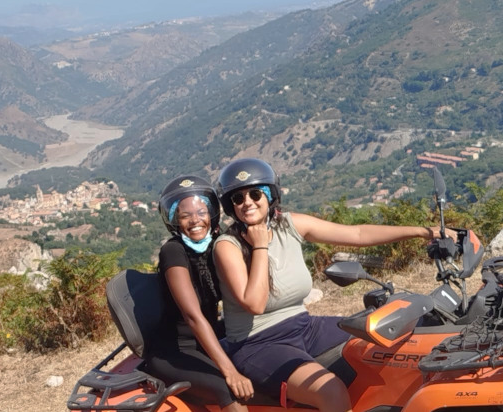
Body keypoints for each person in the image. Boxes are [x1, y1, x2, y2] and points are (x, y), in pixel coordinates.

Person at [212, 158, 455, 412]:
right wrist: (260, 244)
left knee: (387, 341)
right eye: (238, 198)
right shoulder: (228, 246)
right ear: (231, 206)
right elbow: (254, 303)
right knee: (331, 390)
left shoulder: (289, 225)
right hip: (257, 343)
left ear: (270, 195)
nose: (247, 202)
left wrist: (424, 231)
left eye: (255, 193)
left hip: (304, 326)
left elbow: (356, 234)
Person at [145, 175, 253, 412]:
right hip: (174, 350)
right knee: (228, 388)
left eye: (201, 212)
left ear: (211, 214)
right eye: (185, 215)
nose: (195, 220)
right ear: (175, 220)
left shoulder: (218, 242)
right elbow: (192, 315)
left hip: (208, 338)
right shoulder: (173, 251)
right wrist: (230, 372)